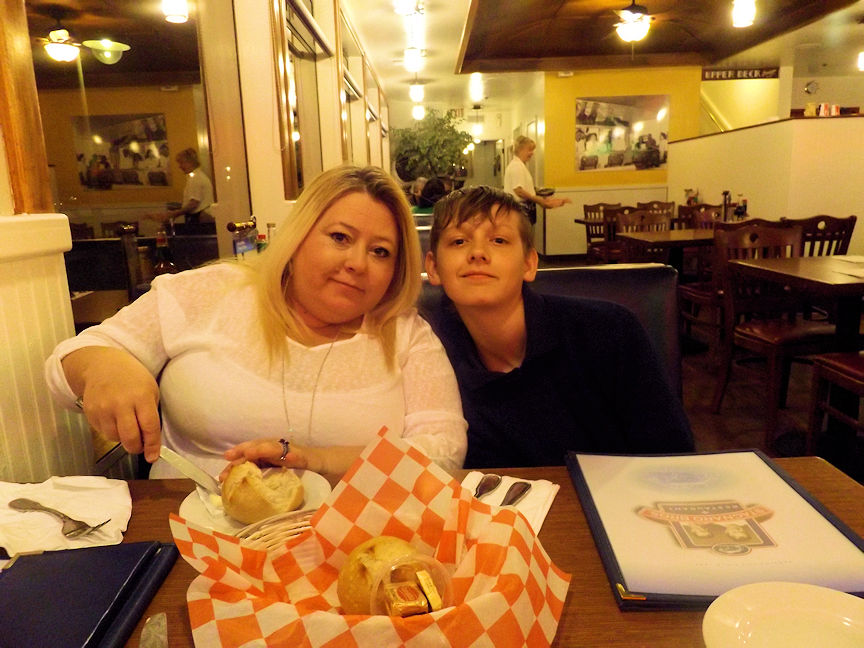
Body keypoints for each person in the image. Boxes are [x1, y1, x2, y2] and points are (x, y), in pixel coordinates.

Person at [45, 166, 467, 480]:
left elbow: (443, 451)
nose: (357, 263)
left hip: (348, 538)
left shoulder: (406, 333)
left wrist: (317, 460)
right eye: (340, 237)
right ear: (298, 237)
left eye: (380, 252)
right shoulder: (208, 292)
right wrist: (105, 366)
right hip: (188, 532)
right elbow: (66, 366)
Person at [422, 185, 693, 468]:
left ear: (529, 264)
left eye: (499, 240)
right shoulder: (424, 354)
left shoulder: (609, 333)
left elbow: (674, 456)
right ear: (434, 267)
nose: (478, 253)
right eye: (458, 242)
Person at [503, 136, 570, 224]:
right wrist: (539, 200)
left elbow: (524, 189)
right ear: (520, 150)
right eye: (529, 150)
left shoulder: (519, 165)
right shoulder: (517, 166)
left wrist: (543, 198)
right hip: (519, 211)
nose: (532, 153)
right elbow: (519, 191)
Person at [146, 147, 214, 226]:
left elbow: (194, 204)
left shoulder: (196, 178)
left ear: (190, 162)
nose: (180, 166)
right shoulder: (197, 176)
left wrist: (174, 213)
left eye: (181, 163)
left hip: (200, 219)